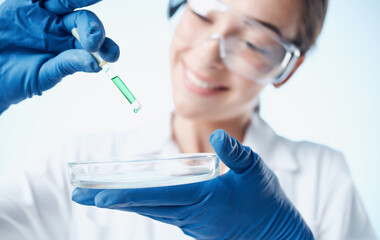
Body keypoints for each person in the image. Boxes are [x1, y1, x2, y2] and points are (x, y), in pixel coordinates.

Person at [0, 0, 377, 239]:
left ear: (288, 68)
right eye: (201, 14)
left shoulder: (324, 178)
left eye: (253, 42)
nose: (208, 54)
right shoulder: (79, 162)